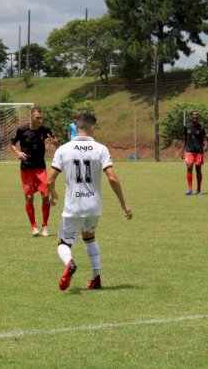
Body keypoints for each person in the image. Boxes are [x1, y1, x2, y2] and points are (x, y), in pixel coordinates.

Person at [47, 112, 133, 291]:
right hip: (94, 206)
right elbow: (112, 178)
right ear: (92, 127)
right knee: (89, 237)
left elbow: (49, 180)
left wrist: (52, 192)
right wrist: (123, 204)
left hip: (73, 206)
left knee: (63, 243)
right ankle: (96, 278)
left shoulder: (63, 149)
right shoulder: (101, 149)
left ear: (77, 127)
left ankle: (70, 263)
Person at [9, 106, 58, 237]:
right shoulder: (22, 130)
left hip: (40, 167)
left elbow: (56, 142)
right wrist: (18, 153)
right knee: (29, 197)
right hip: (26, 168)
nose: (40, 120)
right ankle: (34, 227)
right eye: (37, 117)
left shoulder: (45, 129)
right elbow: (12, 143)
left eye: (41, 117)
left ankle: (45, 226)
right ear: (31, 116)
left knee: (45, 196)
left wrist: (54, 142)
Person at [181, 111, 207, 195]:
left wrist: (206, 145)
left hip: (199, 151)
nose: (195, 117)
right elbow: (184, 139)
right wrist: (183, 151)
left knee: (198, 170)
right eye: (193, 115)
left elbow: (204, 139)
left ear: (198, 117)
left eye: (196, 116)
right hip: (189, 151)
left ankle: (199, 189)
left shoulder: (201, 127)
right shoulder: (186, 127)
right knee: (189, 167)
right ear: (191, 117)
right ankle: (190, 189)